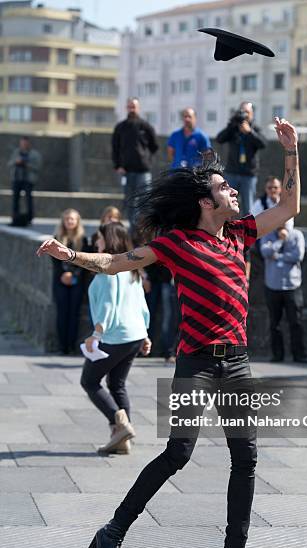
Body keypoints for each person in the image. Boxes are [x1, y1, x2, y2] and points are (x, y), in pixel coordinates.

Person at [37, 117, 300, 548]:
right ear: (206, 201)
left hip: (238, 363)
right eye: (226, 188)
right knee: (179, 452)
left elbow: (289, 206)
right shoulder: (177, 244)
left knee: (247, 458)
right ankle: (111, 534)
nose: (234, 194)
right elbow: (116, 262)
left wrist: (291, 150)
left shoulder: (240, 234)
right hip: (196, 363)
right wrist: (68, 254)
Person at [81, 222, 151, 453]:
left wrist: (96, 334)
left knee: (89, 381)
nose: (95, 243)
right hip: (134, 336)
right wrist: (145, 333)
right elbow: (141, 304)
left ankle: (119, 425)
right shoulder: (133, 269)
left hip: (116, 336)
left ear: (109, 240)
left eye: (99, 239)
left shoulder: (109, 269)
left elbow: (108, 305)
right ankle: (122, 440)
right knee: (117, 384)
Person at [260, 225, 307, 363]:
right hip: (272, 285)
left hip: (292, 286)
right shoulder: (268, 234)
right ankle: (277, 355)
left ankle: (299, 355)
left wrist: (278, 256)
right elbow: (265, 252)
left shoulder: (297, 234)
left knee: (296, 322)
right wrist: (280, 241)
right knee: (275, 323)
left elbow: (298, 255)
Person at [111, 98, 159, 236]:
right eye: (130, 106)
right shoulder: (120, 127)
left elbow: (154, 146)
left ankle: (145, 230)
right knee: (129, 200)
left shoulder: (146, 126)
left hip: (143, 171)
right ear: (126, 108)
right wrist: (117, 166)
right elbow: (115, 148)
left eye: (134, 106)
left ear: (139, 108)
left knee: (145, 200)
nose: (132, 109)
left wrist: (146, 160)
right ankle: (133, 231)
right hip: (126, 171)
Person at [216, 101, 266, 216]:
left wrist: (250, 132)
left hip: (248, 174)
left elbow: (263, 144)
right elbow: (219, 139)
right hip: (232, 172)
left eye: (247, 112)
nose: (245, 115)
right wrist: (232, 124)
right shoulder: (233, 128)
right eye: (242, 112)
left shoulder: (255, 129)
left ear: (252, 114)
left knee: (248, 207)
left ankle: (247, 232)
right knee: (226, 204)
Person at [52, 209, 88, 355]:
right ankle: (62, 346)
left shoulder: (83, 240)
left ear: (77, 221)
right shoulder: (57, 238)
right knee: (62, 313)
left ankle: (71, 345)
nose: (70, 221)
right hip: (60, 280)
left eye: (72, 219)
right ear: (63, 221)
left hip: (77, 280)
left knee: (74, 313)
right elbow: (55, 262)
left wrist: (73, 274)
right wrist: (63, 274)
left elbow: (85, 261)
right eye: (67, 219)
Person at [144, 263, 178, 364]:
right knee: (148, 317)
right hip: (151, 278)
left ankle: (169, 352)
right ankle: (146, 349)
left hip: (166, 279)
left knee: (167, 320)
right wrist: (144, 276)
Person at [8, 136, 42, 226]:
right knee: (15, 200)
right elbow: (10, 163)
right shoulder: (16, 152)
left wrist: (26, 164)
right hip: (17, 179)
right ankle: (15, 218)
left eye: (25, 143)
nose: (24, 145)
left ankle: (29, 219)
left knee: (28, 200)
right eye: (22, 143)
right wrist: (16, 162)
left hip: (28, 180)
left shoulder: (34, 154)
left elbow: (37, 167)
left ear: (29, 144)